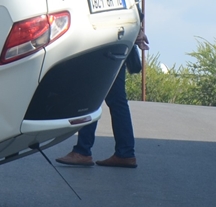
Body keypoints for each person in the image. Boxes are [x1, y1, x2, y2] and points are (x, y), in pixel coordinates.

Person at [56, 29, 148, 168]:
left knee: (91, 96)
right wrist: (136, 31)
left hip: (103, 43)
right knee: (116, 100)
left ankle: (83, 151)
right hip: (120, 43)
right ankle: (125, 153)